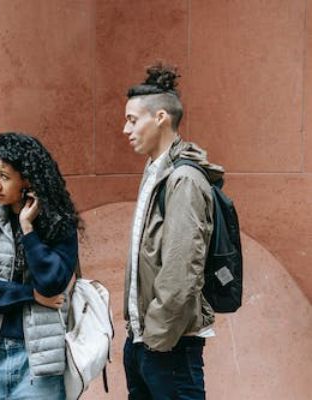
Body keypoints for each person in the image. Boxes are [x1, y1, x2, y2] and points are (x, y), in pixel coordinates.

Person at [121, 63, 224, 400]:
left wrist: (156, 337)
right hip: (146, 342)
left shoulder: (184, 180)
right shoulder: (155, 172)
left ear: (161, 118)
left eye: (133, 120)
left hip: (170, 347)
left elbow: (182, 268)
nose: (126, 129)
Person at [0, 132, 80, 400]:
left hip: (38, 363)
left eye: (4, 176)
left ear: (27, 179)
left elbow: (52, 283)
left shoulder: (59, 226)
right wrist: (29, 295)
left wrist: (28, 229)